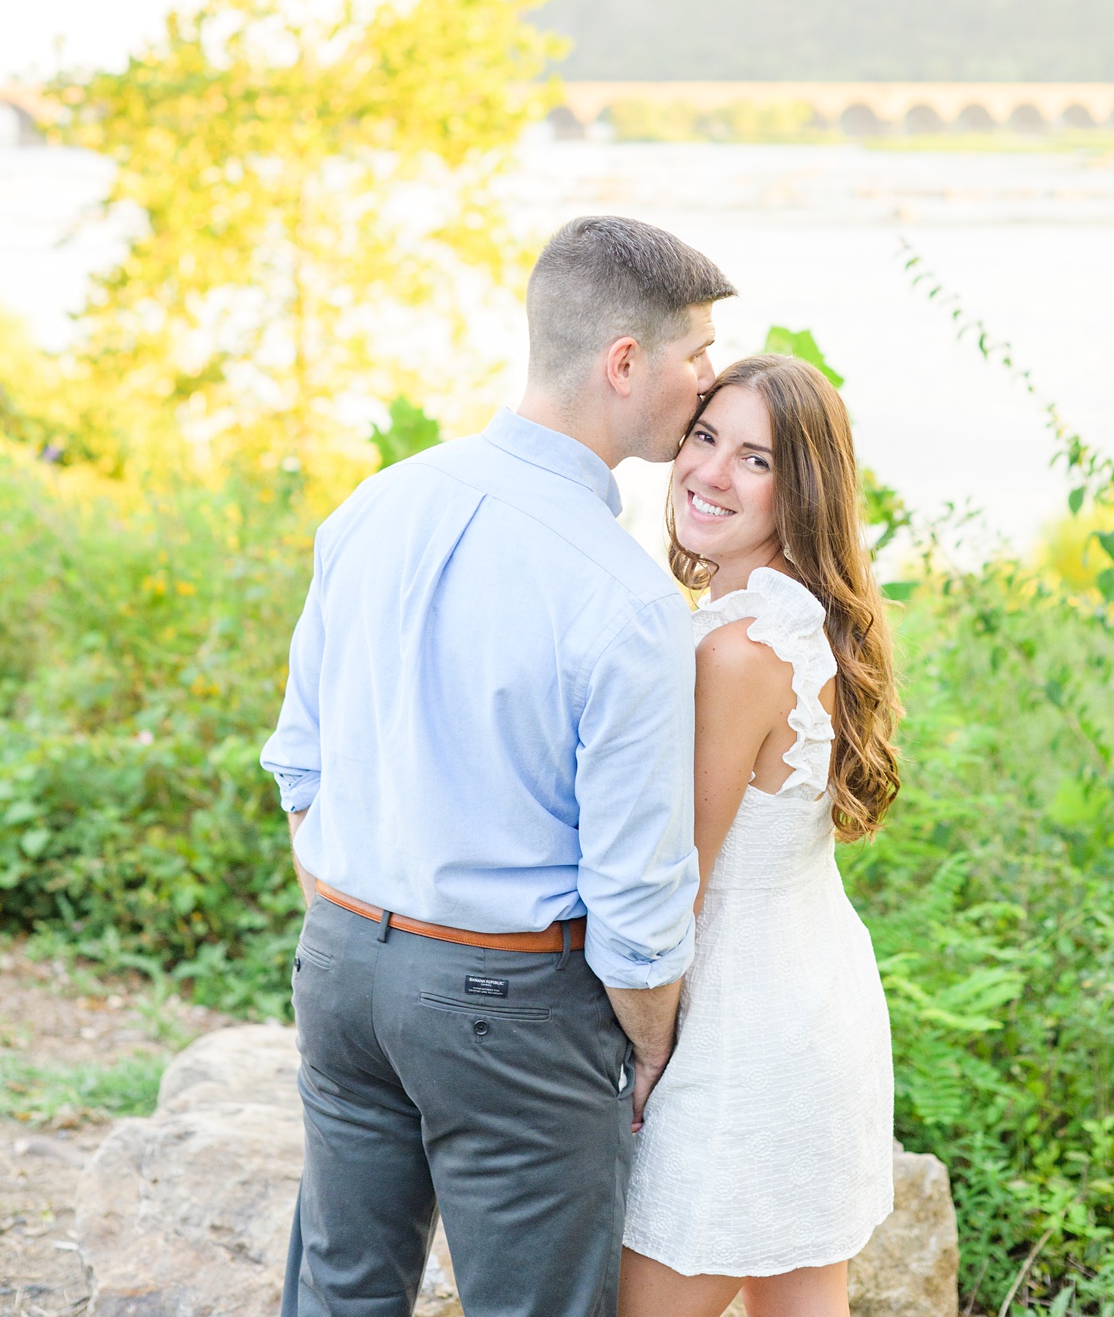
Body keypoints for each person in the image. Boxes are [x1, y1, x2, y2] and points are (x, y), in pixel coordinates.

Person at [263, 215, 735, 1317]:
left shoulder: (374, 505)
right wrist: (650, 1045)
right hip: (509, 999)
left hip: (340, 959)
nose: (709, 381)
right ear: (626, 364)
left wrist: (355, 918)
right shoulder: (624, 600)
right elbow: (635, 894)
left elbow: (300, 762)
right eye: (697, 353)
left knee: (339, 1293)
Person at [620, 354, 902, 1317]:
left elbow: (676, 878)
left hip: (741, 1038)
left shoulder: (735, 650)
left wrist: (641, 1049)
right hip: (814, 1004)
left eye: (755, 460)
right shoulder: (788, 619)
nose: (710, 473)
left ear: (804, 489)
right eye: (704, 438)